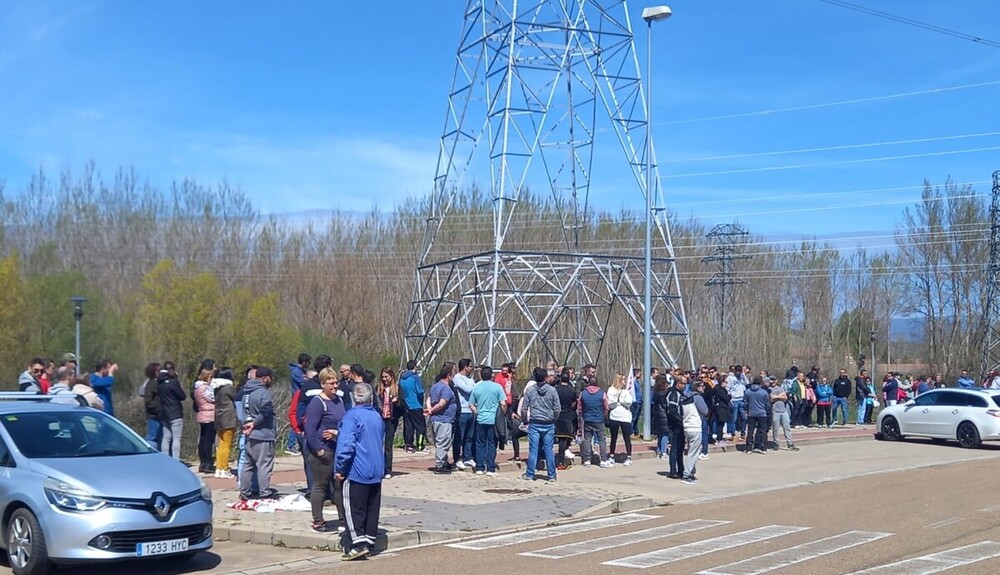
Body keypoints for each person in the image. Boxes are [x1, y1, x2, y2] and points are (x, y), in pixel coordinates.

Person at [334, 383, 385, 561]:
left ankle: (358, 544)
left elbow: (346, 445)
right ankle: (369, 540)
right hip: (376, 468)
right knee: (371, 507)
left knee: (353, 507)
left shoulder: (352, 417)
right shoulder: (376, 416)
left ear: (354, 399)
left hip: (357, 469)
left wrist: (340, 468)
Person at [304, 367, 347, 533]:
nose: (335, 386)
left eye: (336, 382)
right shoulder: (317, 402)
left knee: (339, 485)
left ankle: (343, 519)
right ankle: (318, 520)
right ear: (323, 384)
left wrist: (338, 434)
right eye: (331, 383)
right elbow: (310, 429)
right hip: (321, 451)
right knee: (320, 486)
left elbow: (343, 423)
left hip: (336, 448)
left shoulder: (339, 400)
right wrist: (319, 450)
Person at [240, 366, 277, 500]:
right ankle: (265, 493)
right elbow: (266, 411)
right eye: (270, 378)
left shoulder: (246, 392)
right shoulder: (263, 392)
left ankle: (244, 493)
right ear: (264, 378)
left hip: (249, 434)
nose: (271, 381)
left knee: (248, 465)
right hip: (263, 433)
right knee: (264, 465)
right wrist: (255, 423)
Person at [520, 367, 561, 481]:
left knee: (533, 449)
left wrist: (525, 421)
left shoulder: (530, 390)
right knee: (549, 449)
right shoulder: (552, 390)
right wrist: (554, 418)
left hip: (535, 422)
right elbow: (557, 408)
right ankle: (551, 475)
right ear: (545, 377)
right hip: (548, 422)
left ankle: (530, 474)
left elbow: (524, 408)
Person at [469, 365, 506, 475]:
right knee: (491, 444)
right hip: (493, 419)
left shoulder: (476, 387)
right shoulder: (497, 387)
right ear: (491, 375)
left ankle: (479, 467)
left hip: (481, 419)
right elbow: (503, 404)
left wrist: (477, 412)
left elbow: (471, 404)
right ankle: (490, 468)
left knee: (479, 444)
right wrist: (501, 415)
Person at [425, 365, 457, 474]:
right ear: (448, 375)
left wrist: (429, 408)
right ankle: (439, 465)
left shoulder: (435, 386)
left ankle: (444, 461)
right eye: (453, 373)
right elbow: (442, 403)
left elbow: (428, 398)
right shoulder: (446, 388)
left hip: (437, 419)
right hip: (443, 419)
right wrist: (432, 410)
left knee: (441, 442)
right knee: (443, 442)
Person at [577, 375, 611, 468]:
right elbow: (606, 407)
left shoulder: (583, 393)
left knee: (587, 439)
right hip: (599, 419)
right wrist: (603, 414)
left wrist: (583, 415)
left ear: (588, 383)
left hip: (587, 419)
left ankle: (587, 459)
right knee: (601, 440)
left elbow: (579, 407)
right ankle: (603, 460)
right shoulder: (602, 393)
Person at [681, 379, 709, 485]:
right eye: (702, 386)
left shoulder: (684, 397)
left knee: (691, 450)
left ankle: (691, 471)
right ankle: (687, 474)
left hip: (686, 426)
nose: (704, 387)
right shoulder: (697, 397)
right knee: (694, 452)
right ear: (697, 387)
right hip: (695, 427)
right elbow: (705, 411)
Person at [376, 367, 402, 479]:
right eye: (382, 377)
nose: (384, 379)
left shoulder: (398, 389)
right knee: (377, 444)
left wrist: (396, 403)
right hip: (380, 418)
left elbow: (403, 407)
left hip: (391, 419)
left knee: (388, 445)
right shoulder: (378, 389)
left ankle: (388, 469)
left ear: (391, 376)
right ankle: (378, 468)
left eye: (386, 376)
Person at [452, 358, 477, 470]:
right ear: (465, 367)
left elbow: (474, 390)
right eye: (470, 366)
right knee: (459, 437)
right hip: (462, 411)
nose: (472, 368)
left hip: (471, 411)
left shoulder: (470, 379)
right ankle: (457, 458)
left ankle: (467, 457)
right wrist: (475, 387)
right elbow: (468, 390)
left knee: (469, 436)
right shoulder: (457, 378)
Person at [212, 368, 238, 479]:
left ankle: (219, 468)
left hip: (219, 417)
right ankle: (225, 468)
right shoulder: (228, 388)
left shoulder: (216, 388)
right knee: (226, 444)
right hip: (228, 418)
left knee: (221, 444)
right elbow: (237, 398)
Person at [157, 364, 186, 460]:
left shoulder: (159, 383)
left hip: (164, 413)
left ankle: (165, 459)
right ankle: (176, 459)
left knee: (166, 438)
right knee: (177, 438)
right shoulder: (173, 382)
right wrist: (175, 379)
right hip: (175, 412)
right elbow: (182, 396)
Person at [193, 365, 217, 474]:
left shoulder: (197, 388)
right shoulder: (205, 388)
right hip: (209, 414)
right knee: (208, 440)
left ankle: (203, 462)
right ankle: (208, 462)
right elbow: (212, 398)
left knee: (203, 439)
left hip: (202, 413)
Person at [286, 353, 311, 455]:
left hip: (303, 398)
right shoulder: (296, 372)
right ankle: (291, 444)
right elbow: (303, 383)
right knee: (296, 421)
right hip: (298, 398)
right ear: (304, 362)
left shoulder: (302, 372)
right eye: (308, 362)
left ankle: (300, 443)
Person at [607, 373, 634, 466]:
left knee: (626, 437)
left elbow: (629, 402)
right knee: (613, 437)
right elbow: (610, 403)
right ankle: (611, 456)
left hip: (625, 417)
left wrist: (619, 402)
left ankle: (629, 456)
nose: (624, 381)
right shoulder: (611, 390)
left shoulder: (626, 391)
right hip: (614, 416)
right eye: (623, 379)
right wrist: (619, 402)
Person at [399, 360, 426, 453]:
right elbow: (420, 391)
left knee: (409, 427)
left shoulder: (402, 379)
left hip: (406, 406)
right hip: (416, 405)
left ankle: (409, 445)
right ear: (415, 367)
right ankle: (420, 445)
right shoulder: (415, 378)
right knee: (421, 427)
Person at [553, 372, 578, 470]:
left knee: (557, 439)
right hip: (567, 416)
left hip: (557, 416)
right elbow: (573, 404)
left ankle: (557, 459)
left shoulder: (555, 390)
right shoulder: (572, 391)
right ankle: (561, 461)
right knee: (564, 440)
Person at [664, 374, 687, 477]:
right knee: (675, 448)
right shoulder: (674, 394)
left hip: (680, 425)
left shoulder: (680, 393)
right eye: (683, 383)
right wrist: (681, 422)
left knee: (680, 448)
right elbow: (672, 411)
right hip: (676, 425)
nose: (685, 386)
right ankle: (673, 470)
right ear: (678, 383)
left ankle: (681, 469)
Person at [770, 376, 798, 451]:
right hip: (775, 411)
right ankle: (776, 443)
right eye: (770, 380)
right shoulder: (769, 389)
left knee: (787, 427)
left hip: (783, 410)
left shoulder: (780, 388)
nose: (771, 382)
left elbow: (785, 397)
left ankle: (790, 443)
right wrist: (780, 396)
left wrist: (777, 396)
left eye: (773, 380)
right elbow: (771, 398)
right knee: (775, 428)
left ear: (776, 381)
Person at [743, 376, 770, 454]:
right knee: (763, 430)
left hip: (751, 413)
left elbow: (745, 403)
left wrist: (746, 410)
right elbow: (767, 404)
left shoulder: (747, 392)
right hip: (762, 413)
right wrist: (767, 411)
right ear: (761, 382)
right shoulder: (764, 392)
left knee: (750, 431)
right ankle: (764, 447)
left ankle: (748, 448)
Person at [141, 362, 163, 448]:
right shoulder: (151, 384)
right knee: (152, 437)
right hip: (153, 415)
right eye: (158, 370)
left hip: (160, 415)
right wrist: (158, 410)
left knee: (160, 437)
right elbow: (149, 401)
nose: (160, 372)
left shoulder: (159, 383)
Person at [651, 374, 671, 459]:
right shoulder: (663, 394)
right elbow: (664, 405)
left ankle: (659, 450)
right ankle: (663, 452)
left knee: (660, 433)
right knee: (665, 434)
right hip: (663, 415)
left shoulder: (655, 392)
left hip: (658, 415)